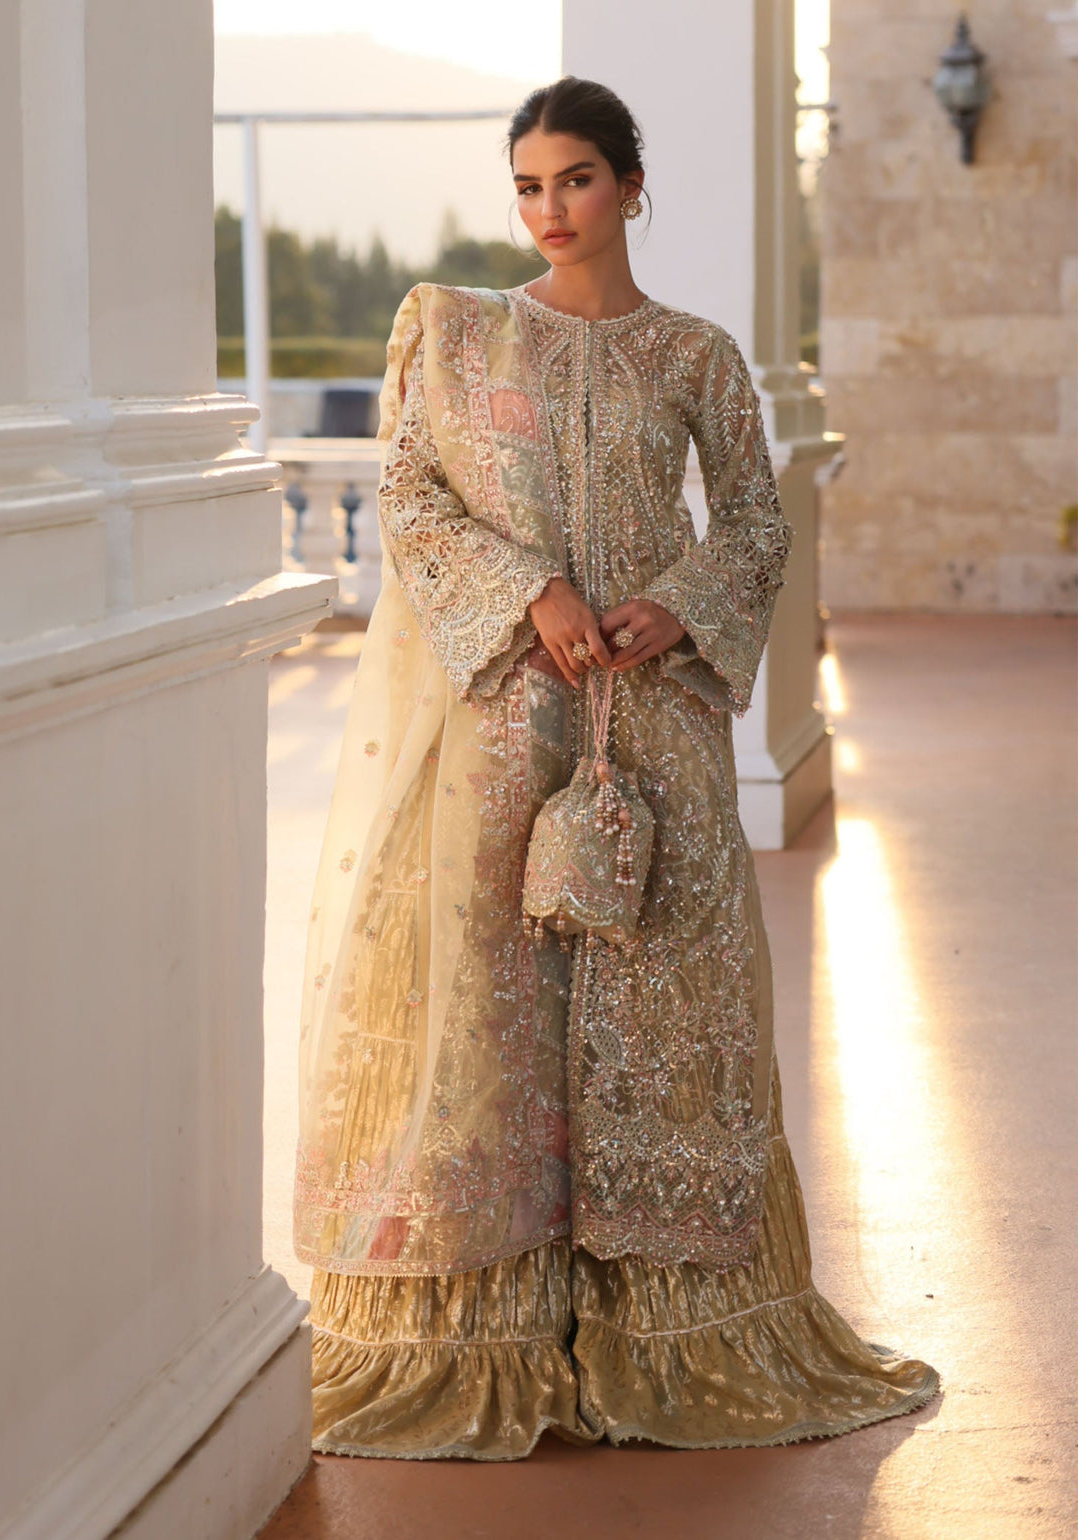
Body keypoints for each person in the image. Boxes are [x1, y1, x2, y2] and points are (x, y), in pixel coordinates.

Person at [292, 74, 940, 1460]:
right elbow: (408, 490)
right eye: (529, 186)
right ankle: (495, 1327)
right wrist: (529, 591)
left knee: (673, 995)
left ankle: (670, 1325)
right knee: (495, 1008)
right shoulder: (466, 338)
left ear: (632, 186)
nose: (550, 210)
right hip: (503, 720)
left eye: (576, 179)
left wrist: (679, 605)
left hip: (654, 725)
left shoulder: (696, 355)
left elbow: (757, 516)